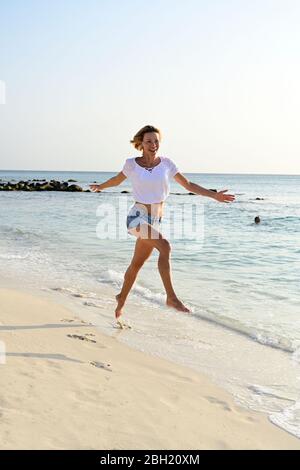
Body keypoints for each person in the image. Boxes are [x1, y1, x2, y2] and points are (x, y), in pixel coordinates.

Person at [90, 125, 235, 320]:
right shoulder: (132, 164)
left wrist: (213, 195)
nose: (153, 145)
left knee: (136, 264)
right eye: (149, 141)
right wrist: (100, 186)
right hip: (137, 218)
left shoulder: (166, 164)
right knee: (165, 246)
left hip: (155, 221)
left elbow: (188, 185)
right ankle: (171, 297)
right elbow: (116, 180)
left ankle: (121, 299)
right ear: (141, 144)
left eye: (156, 141)